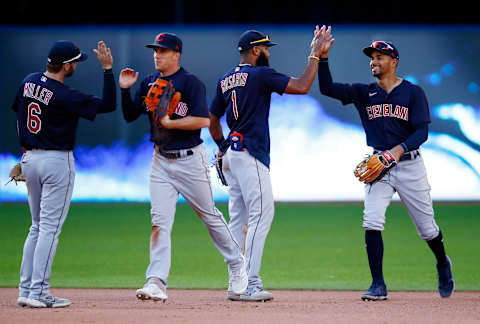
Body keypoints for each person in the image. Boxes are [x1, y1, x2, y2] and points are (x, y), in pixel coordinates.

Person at [316, 28, 454, 300]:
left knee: (427, 229)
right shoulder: (364, 93)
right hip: (379, 165)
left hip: (410, 165)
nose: (373, 62)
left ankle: (442, 262)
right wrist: (322, 58)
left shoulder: (413, 93)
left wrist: (397, 151)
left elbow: (421, 133)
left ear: (394, 62)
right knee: (372, 220)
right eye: (372, 58)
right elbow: (327, 88)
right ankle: (378, 284)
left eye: (379, 57)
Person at [119, 32, 248, 302]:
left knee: (209, 216)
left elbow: (202, 120)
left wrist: (169, 122)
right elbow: (131, 115)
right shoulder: (149, 82)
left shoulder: (190, 83)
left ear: (176, 54)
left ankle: (237, 264)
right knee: (159, 223)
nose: (157, 54)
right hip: (160, 162)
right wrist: (125, 89)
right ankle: (155, 281)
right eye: (155, 50)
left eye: (163, 51)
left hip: (190, 160)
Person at [209, 26, 324, 301]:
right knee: (262, 215)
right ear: (256, 50)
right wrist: (315, 55)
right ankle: (250, 283)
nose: (268, 53)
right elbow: (302, 86)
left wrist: (222, 147)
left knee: (238, 219)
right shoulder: (260, 74)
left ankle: (236, 284)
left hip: (232, 155)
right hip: (250, 153)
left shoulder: (225, 78)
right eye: (266, 48)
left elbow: (213, 120)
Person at [13, 40, 117, 308]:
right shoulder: (64, 95)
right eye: (75, 63)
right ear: (66, 65)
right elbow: (107, 105)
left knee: (36, 226)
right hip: (56, 161)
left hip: (30, 158)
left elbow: (19, 114)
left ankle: (25, 290)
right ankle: (39, 292)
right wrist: (107, 70)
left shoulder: (29, 81)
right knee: (49, 228)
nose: (76, 67)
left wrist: (24, 153)